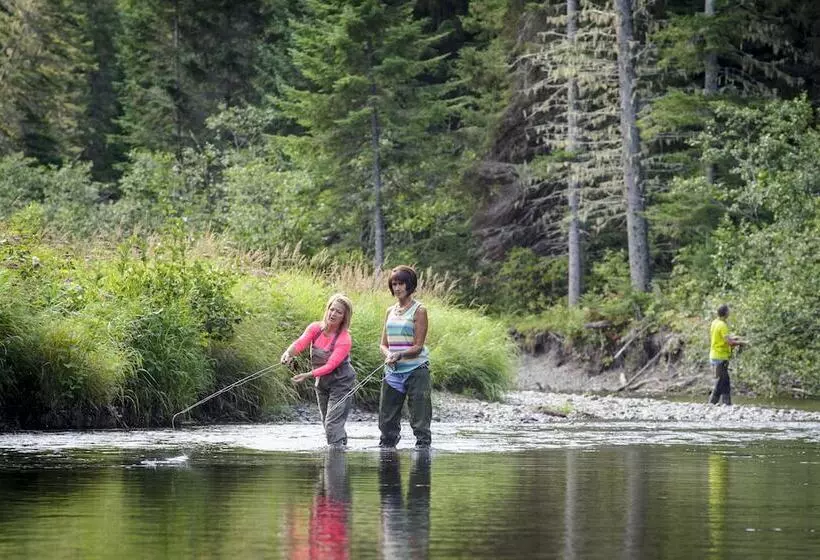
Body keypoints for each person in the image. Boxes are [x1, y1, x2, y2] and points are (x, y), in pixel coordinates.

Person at [282, 294, 356, 447]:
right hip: (322, 382)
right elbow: (301, 342)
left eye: (339, 312)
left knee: (331, 423)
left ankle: (335, 457)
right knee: (327, 423)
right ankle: (340, 453)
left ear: (344, 317)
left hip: (342, 383)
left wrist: (307, 375)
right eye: (331, 309)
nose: (333, 314)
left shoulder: (344, 339)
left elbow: (330, 365)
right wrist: (288, 353)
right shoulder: (315, 328)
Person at [378, 265, 431, 449]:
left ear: (410, 285)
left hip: (416, 371)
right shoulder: (389, 311)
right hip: (392, 371)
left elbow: (418, 346)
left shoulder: (419, 310)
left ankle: (423, 452)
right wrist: (388, 355)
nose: (397, 288)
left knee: (420, 420)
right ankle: (387, 452)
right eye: (394, 284)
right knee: (386, 422)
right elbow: (383, 344)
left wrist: (399, 354)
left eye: (401, 283)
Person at [708, 304, 744, 405]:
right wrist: (741, 343)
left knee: (724, 380)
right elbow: (729, 342)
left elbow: (723, 338)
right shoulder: (722, 325)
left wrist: (735, 337)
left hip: (715, 355)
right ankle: (714, 403)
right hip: (720, 356)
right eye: (729, 311)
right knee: (722, 381)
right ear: (726, 313)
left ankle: (724, 403)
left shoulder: (715, 322)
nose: (730, 312)